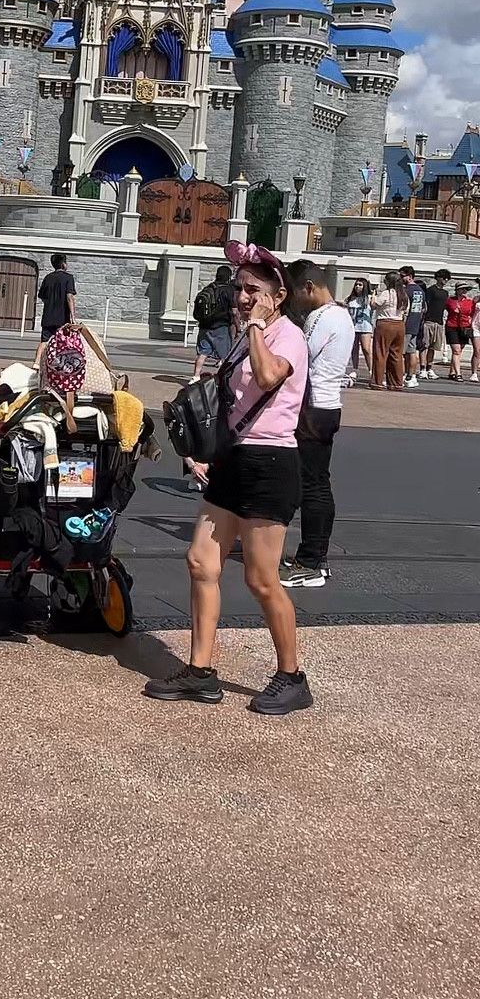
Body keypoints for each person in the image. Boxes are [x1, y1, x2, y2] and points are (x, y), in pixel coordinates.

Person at [144, 240, 313, 717]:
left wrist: (257, 325)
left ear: (277, 296)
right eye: (239, 288)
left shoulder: (288, 337)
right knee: (201, 561)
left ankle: (292, 676)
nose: (241, 297)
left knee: (262, 579)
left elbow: (266, 379)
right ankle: (200, 672)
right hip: (234, 461)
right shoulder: (245, 334)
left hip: (270, 465)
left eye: (253, 289)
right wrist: (201, 449)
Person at [280, 261, 354, 590]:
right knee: (314, 482)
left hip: (314, 408)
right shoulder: (340, 315)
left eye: (296, 293)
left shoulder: (321, 317)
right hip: (326, 406)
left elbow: (298, 358)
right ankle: (313, 556)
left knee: (312, 485)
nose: (295, 301)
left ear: (309, 287)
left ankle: (310, 560)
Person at [192, 264, 235, 379]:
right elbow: (234, 311)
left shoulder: (208, 288)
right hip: (221, 327)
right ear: (228, 277)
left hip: (204, 327)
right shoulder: (228, 290)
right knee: (226, 356)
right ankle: (224, 379)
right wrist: (237, 325)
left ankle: (195, 376)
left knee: (203, 353)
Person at [369, 272, 407, 390]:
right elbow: (406, 312)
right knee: (396, 355)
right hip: (399, 324)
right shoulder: (403, 295)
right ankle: (396, 382)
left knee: (380, 353)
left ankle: (377, 382)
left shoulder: (386, 293)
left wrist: (373, 294)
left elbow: (374, 305)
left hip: (385, 323)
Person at [35, 253, 76, 357]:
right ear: (63, 264)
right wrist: (73, 316)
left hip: (48, 317)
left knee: (44, 342)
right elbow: (69, 297)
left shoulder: (48, 277)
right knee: (63, 343)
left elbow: (42, 296)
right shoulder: (68, 278)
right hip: (62, 318)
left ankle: (36, 364)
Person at [400, 266, 427, 390]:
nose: (401, 279)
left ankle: (399, 376)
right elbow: (423, 308)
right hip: (416, 323)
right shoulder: (420, 291)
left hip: (406, 324)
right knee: (412, 352)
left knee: (400, 352)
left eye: (402, 276)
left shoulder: (406, 290)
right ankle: (411, 375)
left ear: (409, 276)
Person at [421, 270, 451, 379]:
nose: (445, 280)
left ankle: (429, 367)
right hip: (428, 321)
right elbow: (425, 305)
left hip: (439, 322)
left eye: (447, 278)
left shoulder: (445, 293)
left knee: (433, 347)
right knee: (424, 346)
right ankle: (422, 368)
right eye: (443, 278)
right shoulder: (431, 290)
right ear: (438, 277)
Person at [345, 277, 374, 385]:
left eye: (360, 285)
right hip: (353, 326)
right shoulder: (350, 299)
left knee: (366, 349)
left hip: (365, 327)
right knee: (354, 349)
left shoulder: (369, 298)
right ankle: (354, 369)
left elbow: (375, 307)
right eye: (356, 284)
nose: (357, 287)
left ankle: (371, 370)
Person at [445, 282, 476, 382]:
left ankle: (452, 371)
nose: (464, 291)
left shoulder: (469, 302)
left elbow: (471, 313)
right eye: (462, 289)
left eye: (465, 289)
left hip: (464, 327)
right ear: (457, 290)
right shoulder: (450, 300)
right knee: (456, 350)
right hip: (452, 326)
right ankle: (458, 373)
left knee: (459, 351)